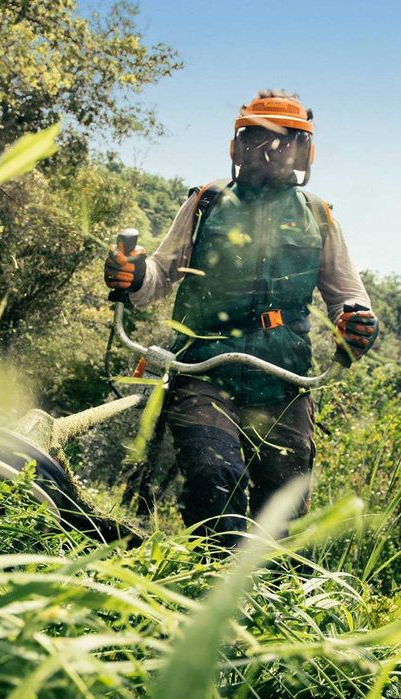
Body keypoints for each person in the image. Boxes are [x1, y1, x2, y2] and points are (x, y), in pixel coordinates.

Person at [104, 90, 379, 546]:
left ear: (303, 150)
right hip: (203, 370)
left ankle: (266, 602)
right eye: (257, 138)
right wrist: (132, 274)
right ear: (238, 145)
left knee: (281, 512)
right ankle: (206, 590)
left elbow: (349, 297)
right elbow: (156, 276)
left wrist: (356, 323)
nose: (270, 150)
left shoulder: (319, 217)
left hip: (283, 382)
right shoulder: (208, 202)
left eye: (285, 140)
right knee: (216, 479)